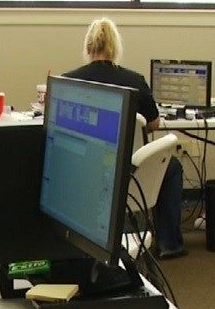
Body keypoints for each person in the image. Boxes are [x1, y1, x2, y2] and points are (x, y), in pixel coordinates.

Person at [64, 17, 188, 259]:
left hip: (86, 166)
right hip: (129, 167)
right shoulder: (135, 81)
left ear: (88, 47)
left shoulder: (70, 80)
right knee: (172, 167)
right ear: (115, 47)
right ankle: (170, 243)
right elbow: (153, 124)